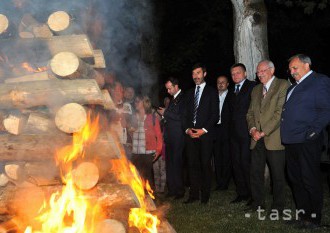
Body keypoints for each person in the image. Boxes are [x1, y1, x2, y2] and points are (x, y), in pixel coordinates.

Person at [280, 54, 330, 229]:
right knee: (295, 179)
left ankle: (314, 219)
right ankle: (303, 215)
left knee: (309, 179)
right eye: (290, 69)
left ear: (307, 65)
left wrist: (312, 133)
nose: (292, 72)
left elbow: (326, 110)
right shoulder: (292, 88)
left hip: (307, 141)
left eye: (295, 68)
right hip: (290, 141)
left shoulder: (319, 81)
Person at [246, 60, 289, 212]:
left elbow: (280, 113)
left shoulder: (283, 85)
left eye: (263, 70)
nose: (260, 74)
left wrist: (263, 132)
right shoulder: (256, 89)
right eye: (258, 72)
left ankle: (278, 206)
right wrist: (252, 130)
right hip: (256, 138)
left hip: (274, 138)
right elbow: (250, 113)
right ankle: (257, 204)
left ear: (272, 70)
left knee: (277, 175)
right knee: (255, 173)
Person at [183, 63, 219, 204]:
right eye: (193, 74)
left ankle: (205, 196)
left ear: (204, 74)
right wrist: (187, 130)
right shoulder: (189, 93)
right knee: (192, 165)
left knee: (205, 165)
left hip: (205, 134)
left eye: (198, 73)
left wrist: (203, 130)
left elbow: (215, 115)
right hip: (190, 135)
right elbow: (184, 115)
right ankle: (193, 195)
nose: (195, 76)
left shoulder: (212, 91)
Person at [228, 63, 255, 204]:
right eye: (232, 74)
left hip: (246, 133)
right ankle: (242, 193)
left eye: (238, 73)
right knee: (236, 164)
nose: (235, 76)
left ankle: (252, 194)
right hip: (233, 135)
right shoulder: (232, 90)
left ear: (245, 73)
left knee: (246, 163)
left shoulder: (253, 86)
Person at [158, 77, 186, 199]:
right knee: (169, 164)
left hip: (178, 136)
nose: (168, 91)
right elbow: (170, 118)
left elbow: (181, 117)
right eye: (167, 89)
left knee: (177, 164)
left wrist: (166, 113)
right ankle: (172, 189)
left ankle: (179, 191)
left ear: (176, 86)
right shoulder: (173, 98)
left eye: (169, 88)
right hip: (169, 137)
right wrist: (164, 119)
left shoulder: (184, 98)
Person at [130, 95, 163, 188]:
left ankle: (151, 199)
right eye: (135, 101)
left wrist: (158, 150)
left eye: (138, 101)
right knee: (137, 176)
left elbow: (159, 136)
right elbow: (130, 132)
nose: (135, 103)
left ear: (144, 103)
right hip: (135, 152)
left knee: (147, 176)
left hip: (148, 152)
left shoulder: (152, 118)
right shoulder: (133, 117)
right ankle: (140, 197)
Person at [213, 75, 232, 191]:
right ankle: (219, 182)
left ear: (227, 84)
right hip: (215, 130)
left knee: (226, 157)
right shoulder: (213, 96)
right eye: (218, 82)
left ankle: (225, 183)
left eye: (223, 82)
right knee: (217, 157)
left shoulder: (232, 96)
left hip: (227, 130)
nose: (220, 84)